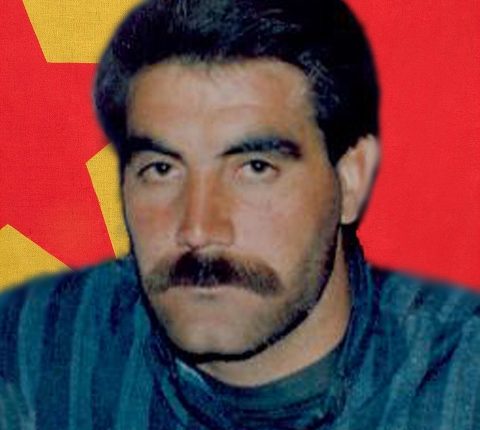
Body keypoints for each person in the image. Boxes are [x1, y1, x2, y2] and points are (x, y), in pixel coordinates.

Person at [0, 0, 479, 428]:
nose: (198, 229)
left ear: (350, 179)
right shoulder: (35, 348)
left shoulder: (463, 376)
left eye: (255, 168)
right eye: (162, 170)